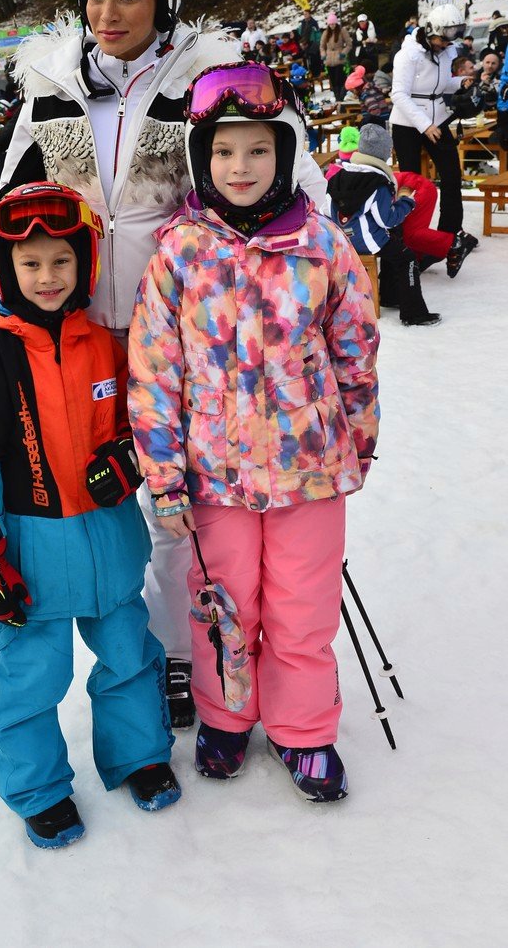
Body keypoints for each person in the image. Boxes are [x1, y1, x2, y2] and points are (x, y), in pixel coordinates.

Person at [0, 0, 329, 728]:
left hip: (188, 339)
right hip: (71, 340)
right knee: (102, 503)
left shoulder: (212, 82)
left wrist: (304, 294)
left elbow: (292, 191)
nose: (107, 14)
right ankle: (136, 651)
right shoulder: (50, 86)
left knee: (179, 509)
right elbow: (5, 205)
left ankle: (185, 659)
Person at [128, 61, 379, 802]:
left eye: (257, 150)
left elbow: (355, 354)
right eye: (223, 151)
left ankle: (304, 730)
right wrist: (164, 475)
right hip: (214, 475)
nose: (240, 167)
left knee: (302, 605)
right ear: (201, 159)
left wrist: (356, 443)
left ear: (283, 150)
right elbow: (153, 371)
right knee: (221, 603)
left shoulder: (322, 246)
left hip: (310, 469)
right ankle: (226, 716)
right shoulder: (179, 251)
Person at [0, 182, 179, 848]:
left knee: (128, 653)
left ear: (85, 264)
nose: (47, 277)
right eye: (30, 264)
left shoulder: (101, 342)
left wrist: (126, 459)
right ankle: (37, 787)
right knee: (31, 678)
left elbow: (136, 422)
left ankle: (140, 755)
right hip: (32, 551)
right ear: (3, 266)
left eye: (61, 262)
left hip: (110, 540)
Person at [327, 122, 450, 322]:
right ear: (384, 153)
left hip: (341, 240)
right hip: (366, 241)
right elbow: (389, 219)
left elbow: (327, 210)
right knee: (407, 257)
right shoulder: (378, 183)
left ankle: (391, 296)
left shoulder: (339, 175)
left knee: (393, 242)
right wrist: (407, 202)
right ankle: (414, 313)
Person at [390, 4, 477, 247]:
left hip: (437, 116)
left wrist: (460, 83)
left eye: (449, 43)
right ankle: (409, 235)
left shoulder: (445, 50)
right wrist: (425, 125)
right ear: (430, 32)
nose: (445, 46)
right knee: (412, 181)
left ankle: (451, 231)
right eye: (442, 41)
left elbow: (440, 85)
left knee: (451, 174)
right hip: (408, 122)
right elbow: (399, 94)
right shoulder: (408, 54)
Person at [320, 12, 351, 99]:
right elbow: (322, 46)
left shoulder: (342, 31)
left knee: (340, 78)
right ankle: (336, 96)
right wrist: (323, 55)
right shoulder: (326, 33)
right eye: (330, 24)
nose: (332, 26)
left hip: (339, 58)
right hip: (329, 59)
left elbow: (349, 44)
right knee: (333, 80)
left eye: (333, 24)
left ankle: (341, 95)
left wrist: (343, 53)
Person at [297, 8, 321, 76]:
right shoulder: (303, 23)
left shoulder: (314, 23)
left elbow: (317, 33)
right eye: (304, 14)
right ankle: (307, 73)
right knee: (305, 59)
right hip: (304, 43)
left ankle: (315, 74)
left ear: (309, 14)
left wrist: (317, 43)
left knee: (314, 59)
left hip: (313, 43)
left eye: (306, 14)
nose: (305, 15)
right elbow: (300, 31)